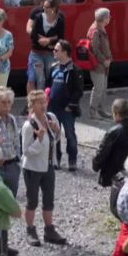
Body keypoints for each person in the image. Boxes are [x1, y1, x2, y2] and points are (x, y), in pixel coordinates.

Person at [21, 90, 67, 246]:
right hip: (32, 169)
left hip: (48, 167)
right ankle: (30, 230)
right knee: (32, 201)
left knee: (48, 199)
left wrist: (56, 130)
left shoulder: (51, 118)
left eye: (44, 101)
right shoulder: (29, 126)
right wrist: (39, 140)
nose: (43, 105)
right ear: (32, 106)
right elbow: (26, 151)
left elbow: (57, 139)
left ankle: (49, 230)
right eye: (39, 102)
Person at [92, 99, 128, 188]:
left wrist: (95, 165)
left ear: (117, 114)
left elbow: (102, 152)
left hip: (116, 172)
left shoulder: (113, 132)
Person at [48, 39, 83, 171]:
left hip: (67, 109)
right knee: (54, 135)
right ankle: (56, 159)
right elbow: (48, 85)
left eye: (56, 50)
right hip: (53, 108)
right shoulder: (53, 67)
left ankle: (72, 160)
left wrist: (71, 105)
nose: (54, 52)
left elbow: (78, 91)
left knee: (70, 134)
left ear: (65, 52)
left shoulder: (74, 69)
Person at [28, 0, 65, 94]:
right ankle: (41, 101)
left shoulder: (59, 20)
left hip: (50, 53)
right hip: (37, 53)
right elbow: (33, 35)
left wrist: (49, 40)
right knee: (40, 79)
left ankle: (49, 98)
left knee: (51, 77)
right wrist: (42, 40)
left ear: (53, 8)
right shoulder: (39, 18)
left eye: (46, 7)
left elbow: (61, 37)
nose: (43, 8)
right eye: (43, 6)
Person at [88, 8, 113, 119]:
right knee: (98, 89)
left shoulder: (100, 28)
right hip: (98, 65)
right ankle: (93, 113)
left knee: (103, 89)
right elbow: (95, 49)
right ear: (104, 18)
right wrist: (104, 60)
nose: (110, 18)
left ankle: (101, 110)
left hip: (103, 65)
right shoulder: (96, 31)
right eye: (108, 16)